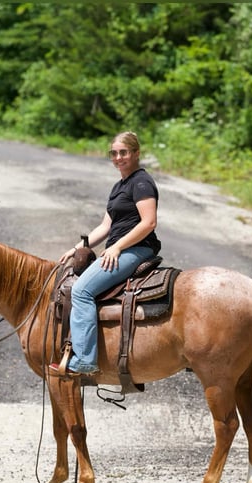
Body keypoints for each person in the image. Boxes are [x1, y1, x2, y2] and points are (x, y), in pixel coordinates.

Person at [53, 131, 161, 375]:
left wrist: (118, 246)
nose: (118, 157)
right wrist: (77, 248)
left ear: (136, 153)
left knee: (81, 291)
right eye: (114, 153)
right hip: (121, 247)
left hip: (137, 249)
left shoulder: (141, 182)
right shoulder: (119, 186)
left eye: (124, 152)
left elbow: (149, 222)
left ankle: (85, 360)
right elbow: (105, 227)